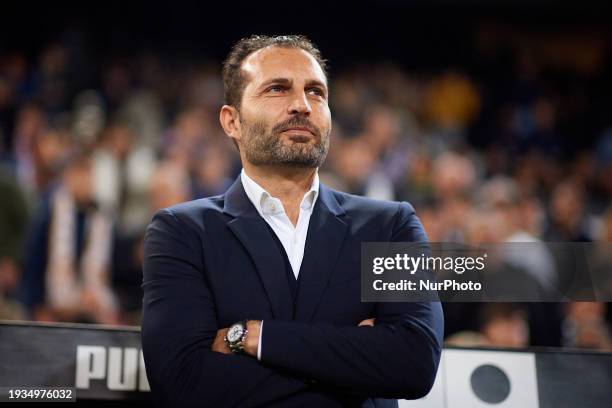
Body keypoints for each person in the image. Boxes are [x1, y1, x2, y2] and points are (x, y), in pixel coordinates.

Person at [141, 35, 443, 408]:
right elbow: (183, 385)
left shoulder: (390, 226)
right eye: (277, 89)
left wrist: (254, 337)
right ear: (231, 121)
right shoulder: (183, 232)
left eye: (316, 92)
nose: (301, 105)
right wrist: (356, 361)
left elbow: (415, 363)